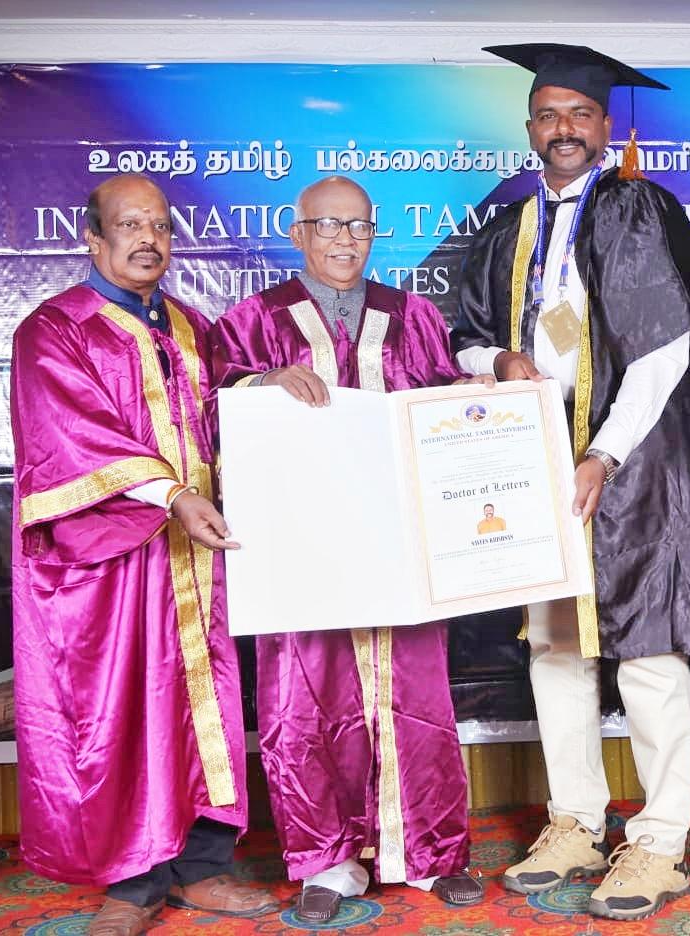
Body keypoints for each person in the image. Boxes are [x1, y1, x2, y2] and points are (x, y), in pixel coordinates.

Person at [451, 43, 690, 921]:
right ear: (529, 128)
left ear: (605, 126)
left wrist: (604, 452)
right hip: (534, 458)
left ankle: (660, 840)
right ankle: (575, 819)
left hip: (632, 462)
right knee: (557, 645)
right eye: (548, 115)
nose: (563, 129)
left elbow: (665, 350)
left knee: (647, 651)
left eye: (579, 114)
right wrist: (499, 360)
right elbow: (465, 338)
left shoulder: (636, 208)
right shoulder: (506, 228)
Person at [209, 176, 486, 923]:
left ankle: (429, 853)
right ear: (297, 232)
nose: (344, 239)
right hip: (301, 549)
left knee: (416, 693)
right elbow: (209, 408)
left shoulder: (413, 316)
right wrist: (263, 382)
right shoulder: (251, 321)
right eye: (328, 225)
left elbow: (446, 408)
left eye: (359, 226)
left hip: (399, 542)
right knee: (305, 699)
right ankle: (325, 861)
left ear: (374, 233)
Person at [10, 174, 276, 936]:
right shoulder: (54, 330)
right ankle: (132, 882)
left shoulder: (191, 326)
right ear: (93, 239)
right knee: (126, 712)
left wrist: (270, 385)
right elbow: (72, 437)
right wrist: (171, 495)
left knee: (204, 707)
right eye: (129, 225)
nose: (148, 239)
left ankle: (202, 866)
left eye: (159, 225)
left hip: (197, 559)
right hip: (113, 566)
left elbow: (225, 411)